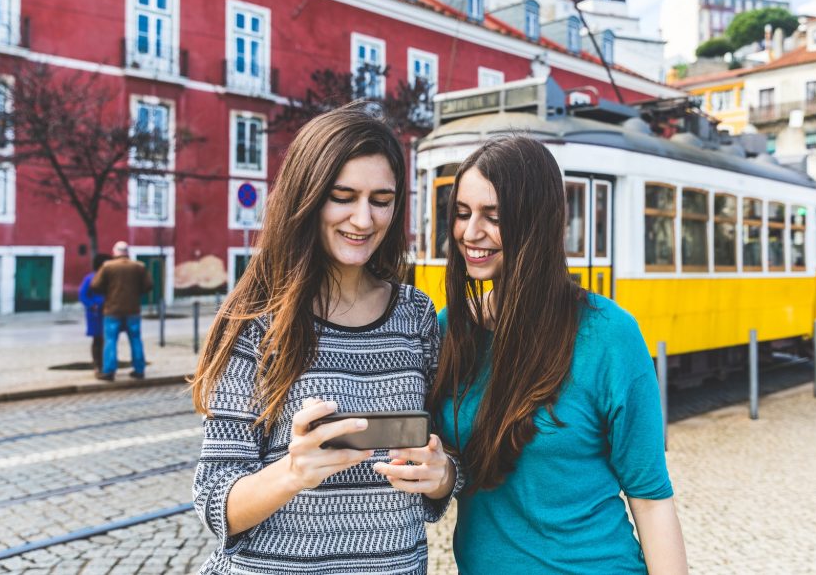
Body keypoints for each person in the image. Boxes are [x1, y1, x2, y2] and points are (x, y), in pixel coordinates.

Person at [190, 101, 462, 575]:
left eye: (381, 200)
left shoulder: (416, 314)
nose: (363, 219)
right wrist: (292, 472)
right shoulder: (254, 320)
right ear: (308, 196)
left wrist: (442, 476)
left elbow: (443, 458)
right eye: (343, 196)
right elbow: (217, 502)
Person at [430, 136, 689, 574]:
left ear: (536, 223)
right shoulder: (449, 330)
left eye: (493, 217)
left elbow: (649, 499)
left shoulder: (609, 335)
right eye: (462, 213)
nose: (470, 232)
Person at [90, 240, 153, 381]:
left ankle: (109, 371)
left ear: (115, 252)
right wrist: (136, 293)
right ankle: (139, 370)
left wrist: (108, 292)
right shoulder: (139, 266)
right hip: (133, 309)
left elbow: (95, 285)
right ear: (127, 252)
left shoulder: (108, 266)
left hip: (112, 309)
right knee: (136, 339)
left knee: (110, 340)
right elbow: (148, 285)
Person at [78, 253, 111, 374]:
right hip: (95, 314)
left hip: (109, 312)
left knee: (107, 340)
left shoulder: (109, 278)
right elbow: (82, 295)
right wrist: (93, 305)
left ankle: (106, 363)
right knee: (97, 340)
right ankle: (98, 364)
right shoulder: (90, 278)